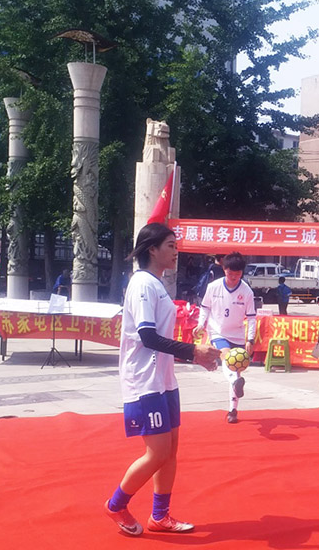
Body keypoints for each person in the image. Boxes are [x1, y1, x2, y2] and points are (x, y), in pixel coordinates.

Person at [104, 223, 221, 537]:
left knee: (170, 451)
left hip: (164, 380)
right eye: (170, 245)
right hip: (144, 382)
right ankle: (116, 505)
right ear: (152, 249)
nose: (176, 251)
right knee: (157, 452)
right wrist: (193, 352)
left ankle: (160, 516)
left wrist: (194, 351)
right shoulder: (143, 283)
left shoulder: (155, 284)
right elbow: (147, 337)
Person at [193, 252, 257, 424]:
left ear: (242, 273)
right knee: (228, 359)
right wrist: (201, 324)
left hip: (237, 335)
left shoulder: (246, 291)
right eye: (230, 273)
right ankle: (236, 383)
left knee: (235, 370)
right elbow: (205, 307)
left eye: (237, 274)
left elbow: (252, 317)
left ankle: (232, 410)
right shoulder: (213, 287)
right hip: (218, 332)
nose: (233, 277)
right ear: (224, 269)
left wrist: (250, 340)